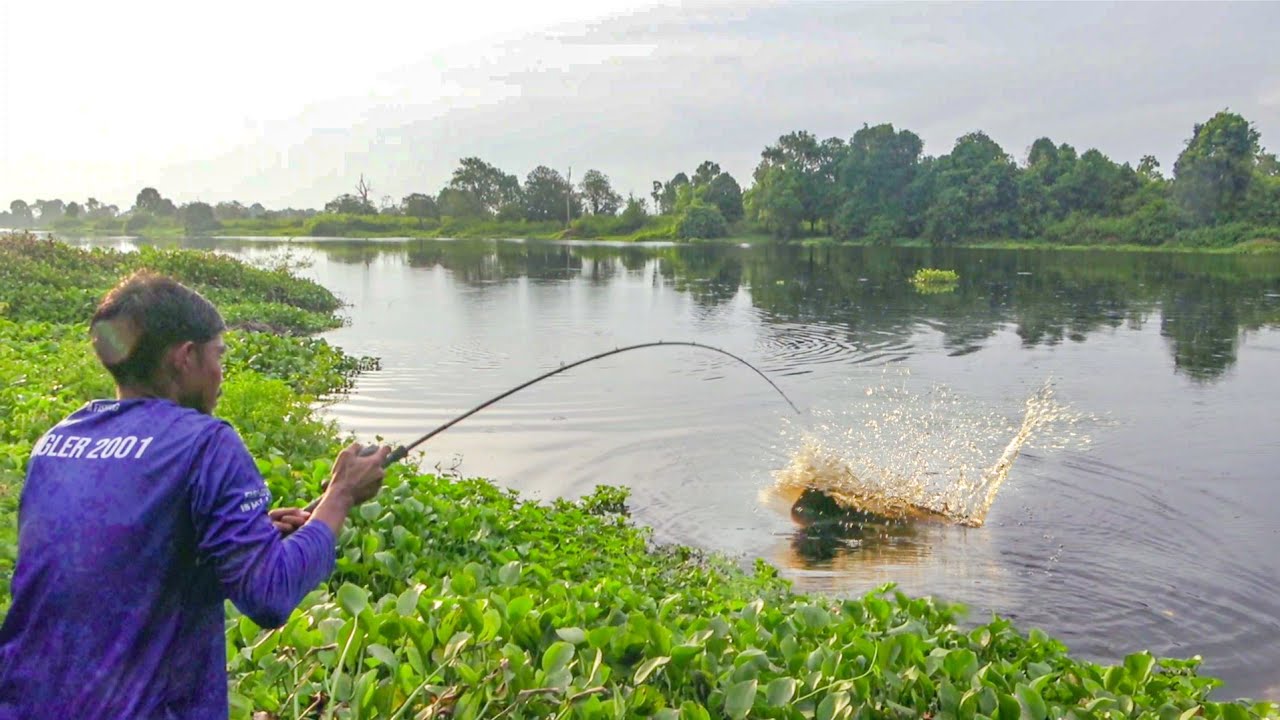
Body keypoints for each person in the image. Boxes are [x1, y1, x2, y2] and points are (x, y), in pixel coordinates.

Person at [0, 271, 389, 719]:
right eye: (217, 354)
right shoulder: (206, 443)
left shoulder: (57, 441)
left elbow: (109, 568)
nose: (221, 372)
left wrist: (234, 543)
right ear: (185, 357)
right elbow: (268, 595)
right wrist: (340, 497)